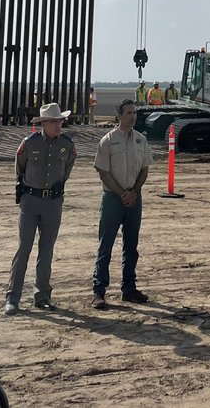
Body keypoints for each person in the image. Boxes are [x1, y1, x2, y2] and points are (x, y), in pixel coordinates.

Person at [4, 102, 76, 315]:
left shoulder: (67, 145)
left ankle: (42, 296)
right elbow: (20, 168)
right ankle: (12, 298)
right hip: (30, 201)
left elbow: (66, 171)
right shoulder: (29, 144)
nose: (58, 125)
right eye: (53, 121)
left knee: (46, 251)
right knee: (24, 248)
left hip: (53, 203)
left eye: (60, 120)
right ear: (43, 123)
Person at [91, 99, 153, 309]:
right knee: (105, 245)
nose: (132, 116)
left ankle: (129, 288)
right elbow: (103, 171)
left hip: (134, 198)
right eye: (128, 113)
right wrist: (122, 194)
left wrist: (133, 192)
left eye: (134, 112)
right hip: (112, 199)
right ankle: (99, 291)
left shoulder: (141, 140)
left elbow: (145, 169)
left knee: (131, 245)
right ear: (119, 116)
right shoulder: (108, 141)